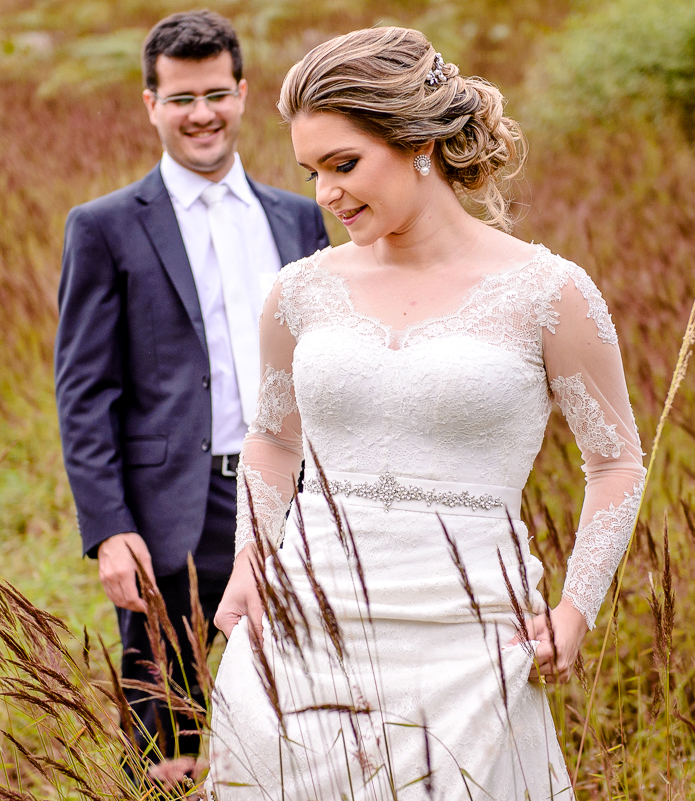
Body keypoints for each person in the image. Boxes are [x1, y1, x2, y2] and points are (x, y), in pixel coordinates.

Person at [202, 27, 647, 800]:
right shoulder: (300, 291)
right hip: (305, 625)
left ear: (418, 143)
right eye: (312, 171)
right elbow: (273, 441)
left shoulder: (549, 290)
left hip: (471, 637)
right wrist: (249, 561)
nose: (327, 195)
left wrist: (576, 609)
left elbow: (615, 462)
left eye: (345, 164)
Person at [53, 9, 329, 788]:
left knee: (298, 691)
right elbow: (84, 389)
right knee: (168, 731)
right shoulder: (103, 227)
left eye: (215, 93)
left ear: (243, 94)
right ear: (151, 104)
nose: (201, 113)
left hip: (292, 495)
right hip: (172, 500)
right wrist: (109, 528)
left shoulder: (301, 217)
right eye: (181, 98)